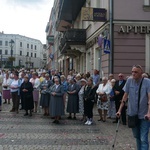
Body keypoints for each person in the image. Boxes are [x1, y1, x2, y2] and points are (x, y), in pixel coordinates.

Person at [116, 65, 150, 150]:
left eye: (136, 72)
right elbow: (125, 96)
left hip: (144, 114)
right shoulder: (129, 81)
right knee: (137, 137)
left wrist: (149, 113)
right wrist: (119, 110)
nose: (133, 74)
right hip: (132, 114)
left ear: (141, 73)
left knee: (143, 138)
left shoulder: (147, 82)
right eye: (132, 72)